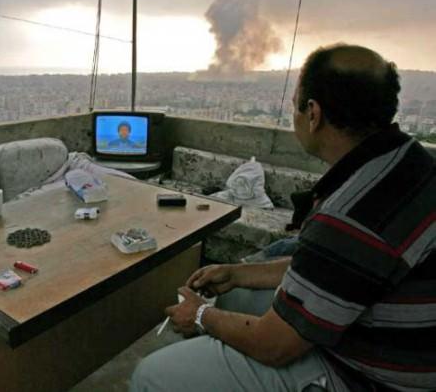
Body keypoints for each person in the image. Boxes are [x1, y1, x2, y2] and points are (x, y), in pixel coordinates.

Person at [131, 44, 436, 392]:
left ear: (313, 113)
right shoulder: (411, 162)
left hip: (367, 376)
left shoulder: (349, 215)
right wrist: (238, 273)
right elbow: (332, 270)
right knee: (236, 296)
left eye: (295, 104)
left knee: (151, 375)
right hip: (395, 342)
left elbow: (273, 345)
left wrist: (199, 314)